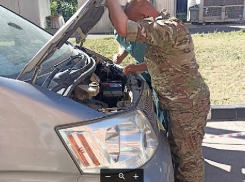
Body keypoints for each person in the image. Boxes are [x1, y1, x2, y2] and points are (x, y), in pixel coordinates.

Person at [106, 0, 211, 182]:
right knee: (178, 153)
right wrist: (136, 68)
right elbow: (163, 60)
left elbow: (124, 28)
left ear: (143, 17)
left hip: (187, 106)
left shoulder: (167, 28)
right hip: (178, 103)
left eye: (137, 23)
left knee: (189, 162)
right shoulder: (162, 29)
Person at [112, 5, 168, 131]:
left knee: (162, 105)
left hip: (160, 71)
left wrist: (135, 68)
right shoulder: (119, 29)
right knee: (145, 100)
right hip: (142, 68)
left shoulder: (146, 31)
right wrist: (120, 55)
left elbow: (157, 62)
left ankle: (166, 135)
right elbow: (124, 44)